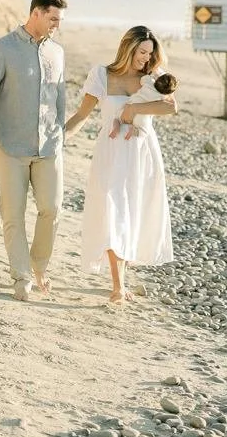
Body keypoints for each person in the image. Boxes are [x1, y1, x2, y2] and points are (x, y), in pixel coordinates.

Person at [66, 26, 175, 302]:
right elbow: (82, 115)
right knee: (112, 210)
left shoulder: (153, 76)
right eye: (141, 52)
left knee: (131, 214)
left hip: (142, 153)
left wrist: (135, 108)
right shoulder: (101, 75)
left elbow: (170, 107)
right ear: (128, 48)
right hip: (111, 152)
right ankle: (118, 286)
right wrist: (59, 138)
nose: (146, 59)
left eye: (150, 54)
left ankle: (120, 283)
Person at [0, 0, 67, 297]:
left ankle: (39, 265)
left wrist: (61, 136)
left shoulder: (57, 52)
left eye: (59, 20)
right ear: (36, 13)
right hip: (10, 146)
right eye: (53, 19)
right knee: (12, 214)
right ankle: (21, 277)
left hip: (48, 147)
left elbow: (60, 100)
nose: (56, 25)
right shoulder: (3, 48)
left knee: (51, 209)